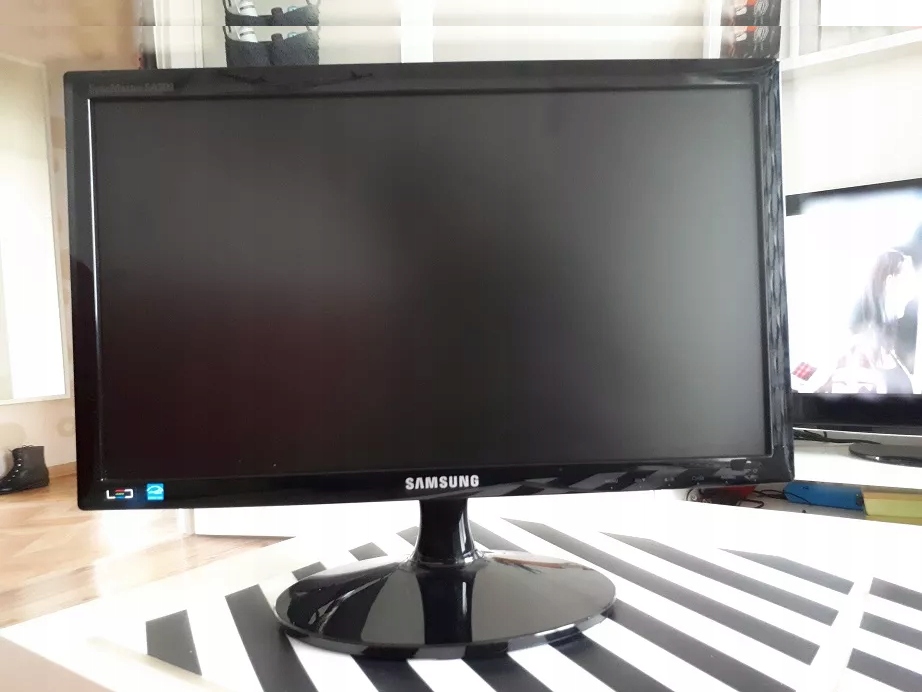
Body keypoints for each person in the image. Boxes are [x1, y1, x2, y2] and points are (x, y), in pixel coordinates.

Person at [825, 249, 919, 394]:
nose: (911, 294)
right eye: (908, 281)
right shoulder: (857, 351)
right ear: (890, 282)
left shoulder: (890, 353)